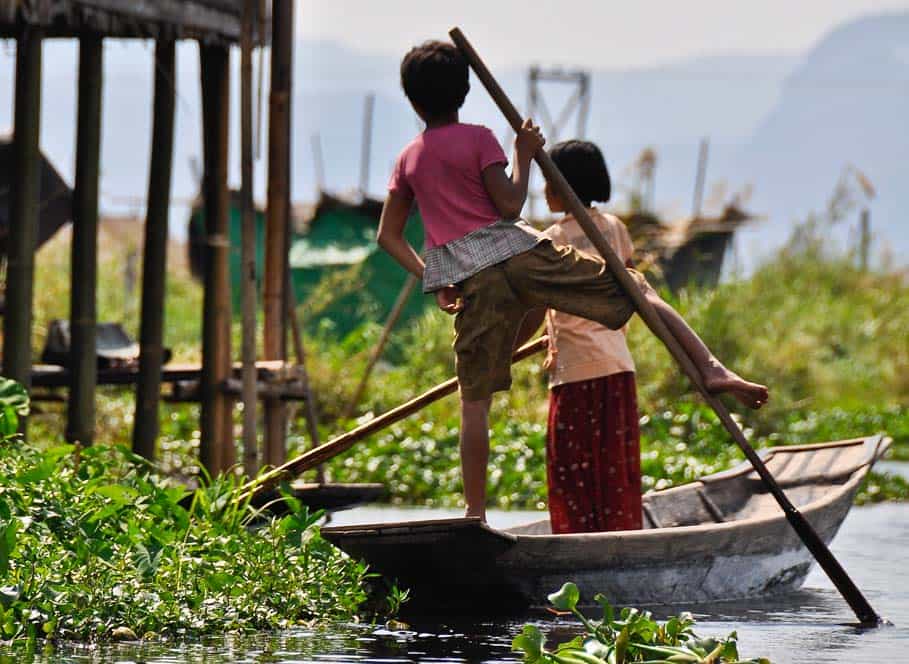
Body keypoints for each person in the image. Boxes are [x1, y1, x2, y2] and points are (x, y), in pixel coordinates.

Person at [377, 40, 768, 523]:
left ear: (412, 100)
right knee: (635, 286)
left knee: (473, 402)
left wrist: (435, 276)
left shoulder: (408, 159)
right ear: (464, 92)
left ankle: (474, 513)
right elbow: (510, 207)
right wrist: (523, 153)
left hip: (474, 280)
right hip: (522, 256)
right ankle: (709, 368)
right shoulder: (479, 138)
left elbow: (388, 237)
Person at [519, 140, 643, 533]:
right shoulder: (615, 229)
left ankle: (578, 544)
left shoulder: (550, 239)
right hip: (618, 366)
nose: (543, 189)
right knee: (613, 473)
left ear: (564, 184)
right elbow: (629, 291)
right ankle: (619, 540)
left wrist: (508, 349)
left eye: (548, 181)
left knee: (572, 476)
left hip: (575, 374)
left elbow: (538, 306)